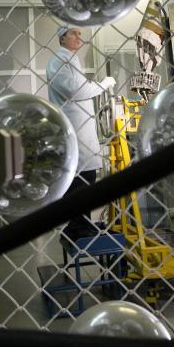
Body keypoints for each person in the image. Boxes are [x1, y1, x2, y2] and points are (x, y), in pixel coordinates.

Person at [46, 26, 115, 239]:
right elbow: (78, 90)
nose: (79, 37)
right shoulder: (61, 59)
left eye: (80, 34)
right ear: (62, 37)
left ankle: (80, 224)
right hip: (76, 128)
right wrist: (104, 84)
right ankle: (79, 226)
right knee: (83, 179)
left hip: (80, 127)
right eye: (74, 33)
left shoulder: (69, 59)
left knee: (85, 177)